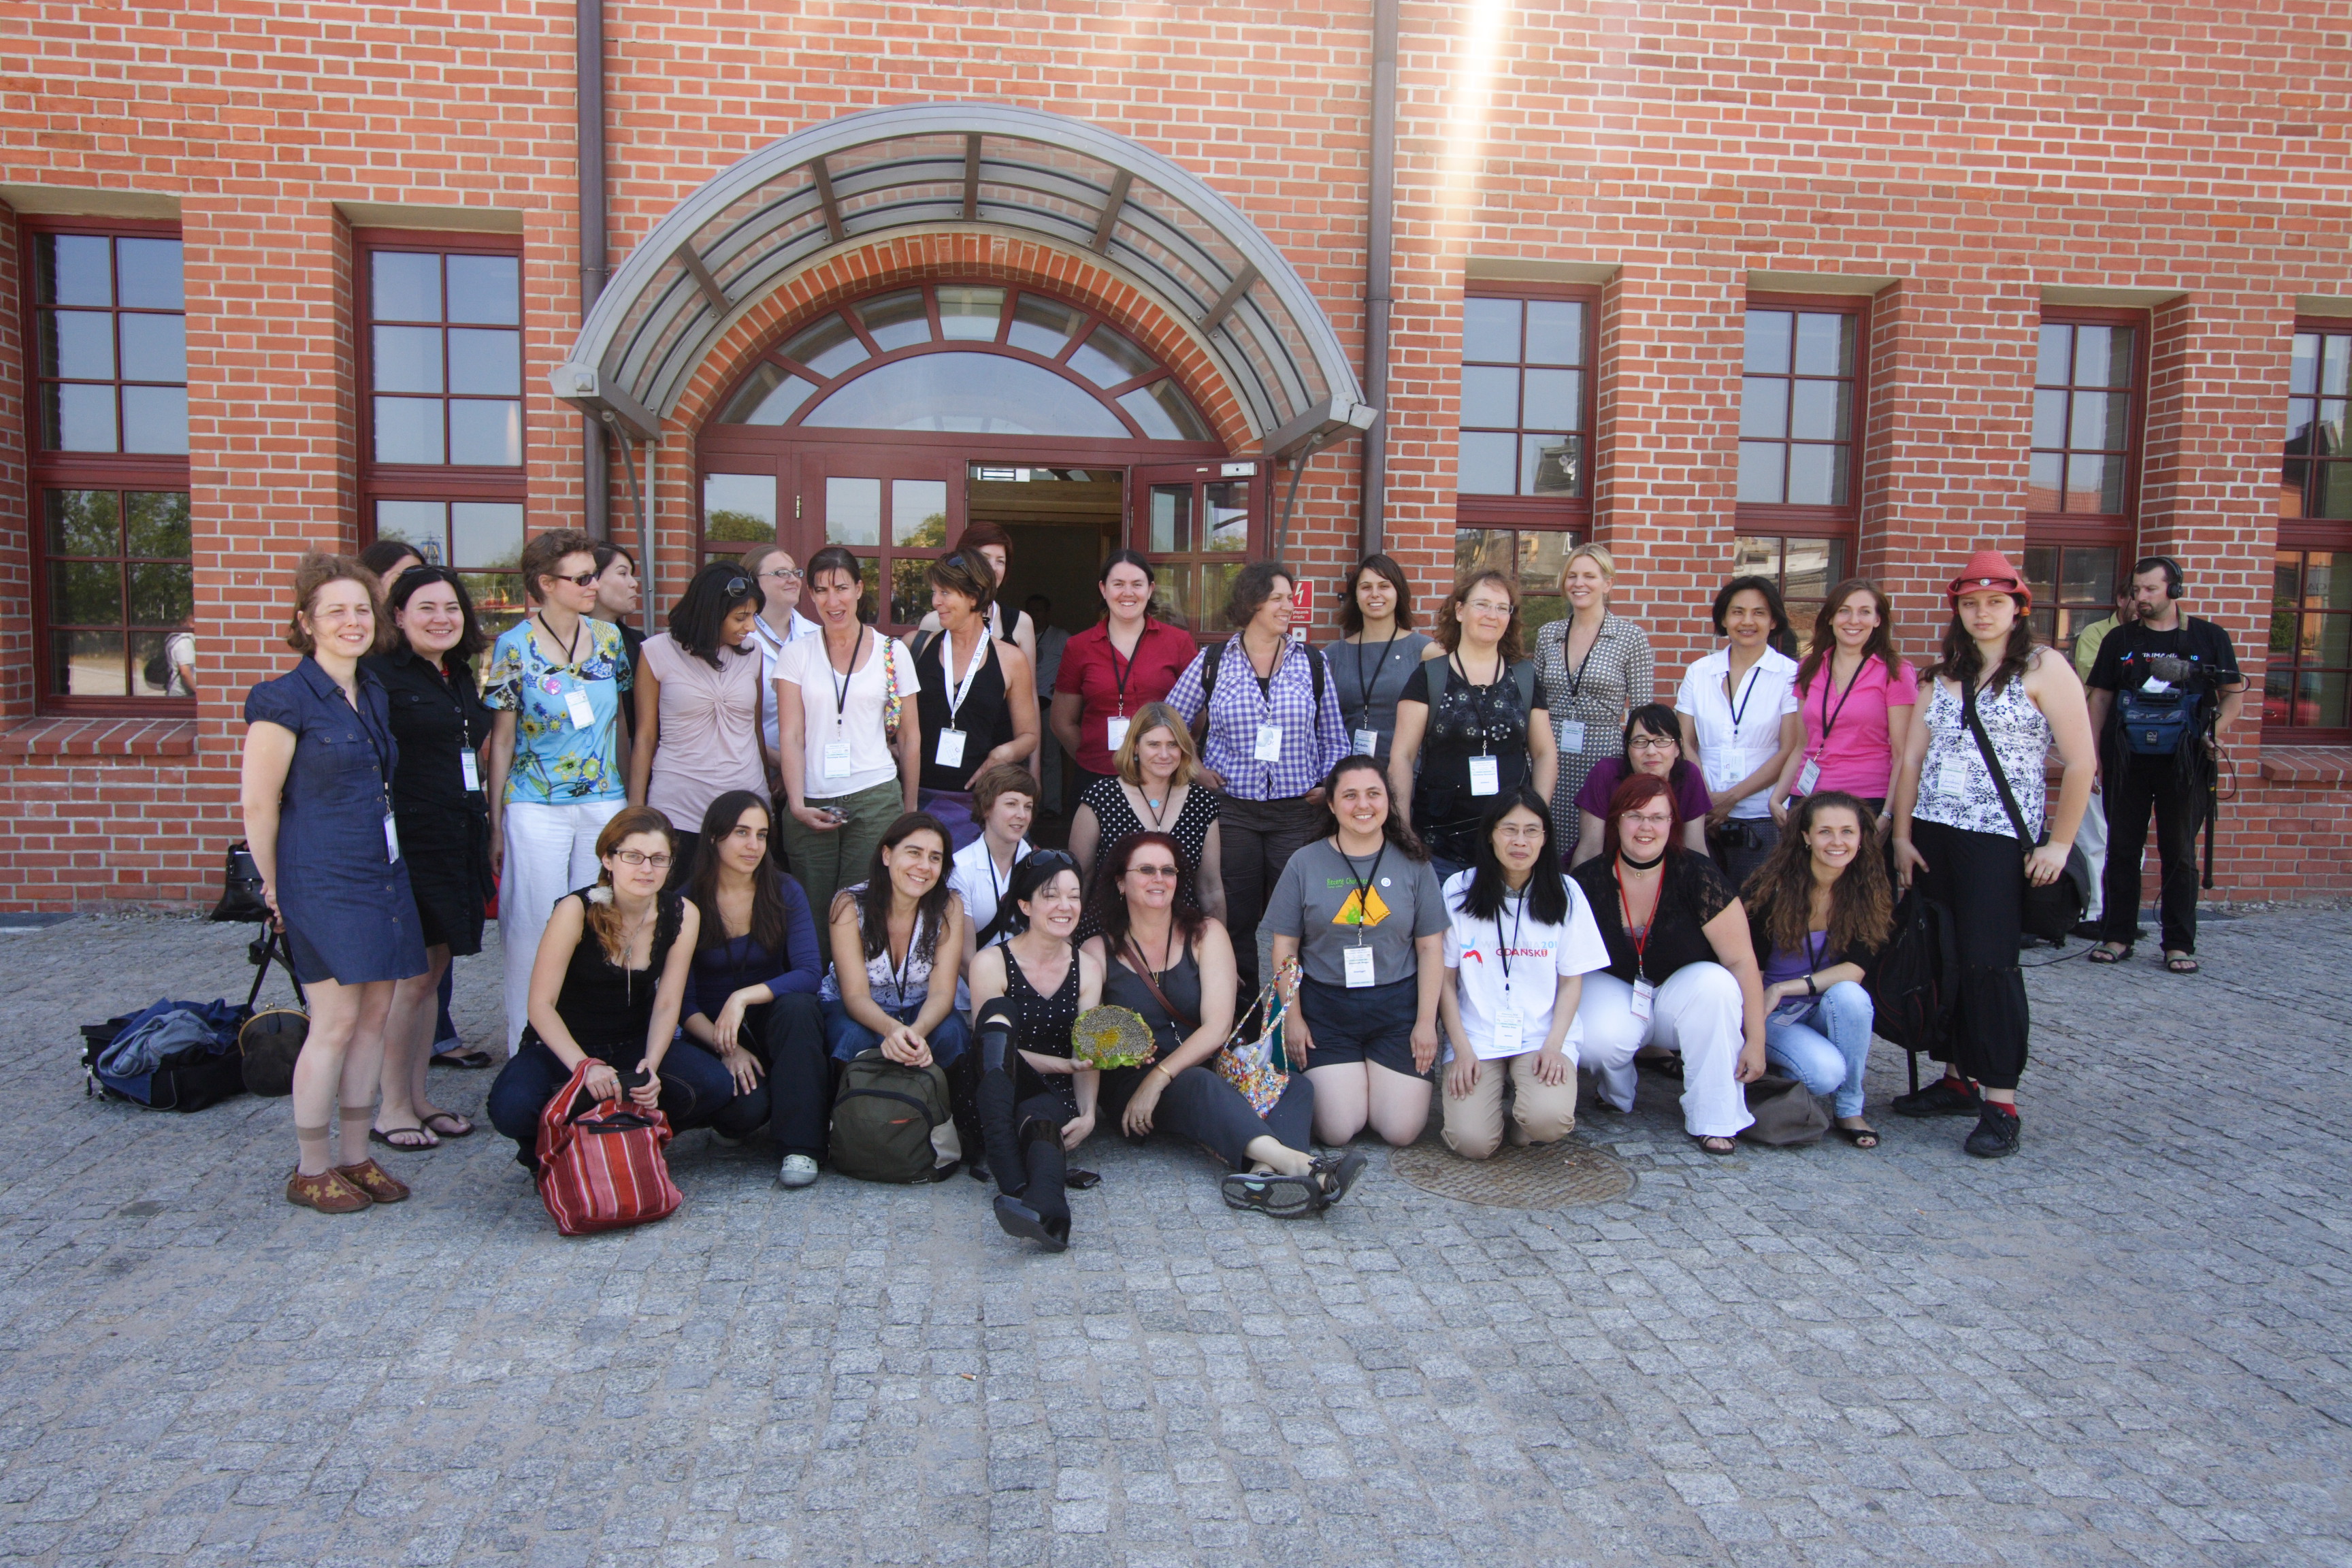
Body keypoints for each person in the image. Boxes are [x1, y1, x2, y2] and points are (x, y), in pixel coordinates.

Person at [1890, 550, 2096, 1158]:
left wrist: (2060, 843)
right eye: (1972, 603)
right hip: (1935, 832)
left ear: (2018, 608)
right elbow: (1913, 759)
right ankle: (1958, 1078)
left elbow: (2081, 761)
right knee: (1943, 957)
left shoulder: (2044, 667)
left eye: (1996, 602)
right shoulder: (1940, 676)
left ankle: (2001, 1099)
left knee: (1990, 964)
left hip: (1996, 840)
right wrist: (1901, 835)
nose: (1983, 613)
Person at [240, 553, 429, 1213]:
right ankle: (311, 1166)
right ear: (306, 622)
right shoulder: (282, 698)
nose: (352, 621)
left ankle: (355, 1155)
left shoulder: (371, 690)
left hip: (382, 874)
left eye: (361, 610)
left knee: (375, 1017)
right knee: (337, 1020)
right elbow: (259, 805)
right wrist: (273, 888)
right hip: (319, 878)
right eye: (335, 611)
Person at [1080, 832, 1363, 1214]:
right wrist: (1108, 1098)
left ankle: (1264, 1176)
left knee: (1293, 1086)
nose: (1159, 879)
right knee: (1198, 1082)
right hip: (1134, 1087)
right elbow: (1090, 1038)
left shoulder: (1205, 933)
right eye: (1146, 870)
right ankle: (1303, 1167)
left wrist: (1161, 1075)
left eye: (1168, 870)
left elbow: (1217, 1028)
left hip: (1198, 1068)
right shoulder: (1097, 951)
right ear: (1120, 881)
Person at [485, 807, 768, 1171]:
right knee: (511, 1108)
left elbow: (668, 1002)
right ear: (608, 859)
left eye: (658, 859)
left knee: (713, 1085)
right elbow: (541, 1004)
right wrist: (584, 1066)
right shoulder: (576, 910)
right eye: (633, 856)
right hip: (562, 1048)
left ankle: (633, 1136)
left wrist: (652, 1064)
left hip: (630, 1044)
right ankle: (556, 1144)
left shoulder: (682, 913)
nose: (646, 869)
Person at [482, 528, 634, 1053]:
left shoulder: (610, 640)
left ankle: (592, 1044)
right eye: (582, 578)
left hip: (604, 802)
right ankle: (527, 1049)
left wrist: (630, 803)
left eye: (594, 575)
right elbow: (502, 740)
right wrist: (496, 821)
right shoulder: (513, 646)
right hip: (536, 804)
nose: (593, 585)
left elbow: (620, 726)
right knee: (532, 926)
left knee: (601, 921)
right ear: (546, 584)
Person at [1165, 561, 1349, 987]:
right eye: (1278, 598)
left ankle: (1296, 1004)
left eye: (1290, 598)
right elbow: (1168, 722)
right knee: (1235, 914)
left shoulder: (1312, 662)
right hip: (1233, 812)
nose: (1289, 606)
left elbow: (1334, 736)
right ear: (1252, 603)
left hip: (1297, 813)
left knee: (1300, 914)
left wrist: (1327, 787)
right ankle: (1239, 1002)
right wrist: (1195, 768)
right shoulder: (1213, 661)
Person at [361, 564, 493, 1149]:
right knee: (409, 981)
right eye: (426, 608)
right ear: (397, 615)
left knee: (433, 976)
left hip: (456, 835)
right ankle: (391, 1107)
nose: (442, 619)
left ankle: (417, 1097)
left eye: (451, 608)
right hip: (408, 843)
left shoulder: (457, 673)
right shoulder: (377, 675)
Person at [1570, 772, 1768, 1155]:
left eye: (1657, 817)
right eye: (1634, 816)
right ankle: (1616, 1090)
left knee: (1717, 985)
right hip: (1617, 990)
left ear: (1672, 823)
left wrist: (1756, 1041)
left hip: (1682, 997)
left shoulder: (1699, 875)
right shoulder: (1588, 881)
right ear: (1616, 821)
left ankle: (1715, 1117)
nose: (1646, 827)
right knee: (1596, 1037)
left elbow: (1742, 961)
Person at [1264, 757, 1449, 1148]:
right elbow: (1285, 946)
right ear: (1332, 805)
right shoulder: (1304, 862)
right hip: (1326, 1010)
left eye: (1373, 794)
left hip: (1396, 1011)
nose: (1362, 805)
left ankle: (1374, 1081)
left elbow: (1431, 947)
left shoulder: (1414, 863)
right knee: (1337, 1130)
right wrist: (1292, 1019)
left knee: (1400, 1131)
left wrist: (1425, 1023)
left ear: (1388, 801)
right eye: (1350, 796)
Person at [2085, 556, 2244, 974]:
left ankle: (2178, 944)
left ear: (2174, 590)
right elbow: (2100, 697)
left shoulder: (2209, 637)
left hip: (2186, 761)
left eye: (2151, 589)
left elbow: (2233, 694)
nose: (2141, 598)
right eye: (2136, 590)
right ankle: (2117, 935)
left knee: (2179, 852)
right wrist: (2094, 755)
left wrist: (2214, 732)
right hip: (2126, 759)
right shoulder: (2119, 639)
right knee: (2121, 849)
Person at [1437, 789, 1610, 1160]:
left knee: (1548, 1121)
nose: (1520, 841)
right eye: (1509, 829)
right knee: (1472, 1143)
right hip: (1477, 1035)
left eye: (1532, 831)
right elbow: (1445, 982)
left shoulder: (1567, 892)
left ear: (1545, 838)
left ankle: (1525, 1119)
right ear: (1490, 835)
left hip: (1540, 1035)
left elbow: (1571, 982)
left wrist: (1554, 1046)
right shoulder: (1458, 890)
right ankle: (1491, 1105)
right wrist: (1461, 1049)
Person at [677, 791, 830, 1188]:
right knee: (747, 1110)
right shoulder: (686, 901)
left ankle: (801, 1147)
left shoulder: (784, 889)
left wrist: (742, 997)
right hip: (711, 1028)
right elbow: (683, 1002)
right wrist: (725, 1047)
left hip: (769, 1016)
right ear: (714, 836)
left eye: (762, 835)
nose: (753, 846)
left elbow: (810, 973)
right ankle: (738, 1118)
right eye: (741, 833)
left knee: (800, 1007)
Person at [773, 544, 923, 921]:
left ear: (859, 588)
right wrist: (796, 805)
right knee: (812, 912)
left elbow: (910, 737)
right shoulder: (796, 654)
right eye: (821, 590)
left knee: (863, 910)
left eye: (841, 588)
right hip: (812, 797)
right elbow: (791, 735)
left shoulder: (892, 653)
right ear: (810, 595)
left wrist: (909, 810)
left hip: (875, 796)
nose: (833, 601)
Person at [1742, 790, 1894, 1147]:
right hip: (1772, 1012)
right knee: (1825, 1074)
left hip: (1822, 1006)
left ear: (1861, 838)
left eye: (1847, 832)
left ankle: (1850, 1107)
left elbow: (1855, 970)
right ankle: (1786, 1071)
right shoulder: (1773, 888)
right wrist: (1753, 1032)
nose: (1837, 842)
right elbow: (1750, 968)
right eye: (1825, 831)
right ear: (1807, 837)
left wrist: (1785, 987)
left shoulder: (1868, 890)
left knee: (1852, 995)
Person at [968, 851, 1101, 1250]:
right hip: (991, 1088)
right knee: (999, 1013)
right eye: (1051, 895)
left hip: (1050, 1095)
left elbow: (1087, 1051)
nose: (1065, 906)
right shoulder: (990, 962)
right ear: (1025, 905)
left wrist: (1089, 1114)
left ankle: (1049, 1212)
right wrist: (1064, 1065)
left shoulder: (1088, 967)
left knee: (1042, 1119)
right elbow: (988, 1049)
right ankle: (1008, 1170)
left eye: (1074, 896)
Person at [1388, 569, 1558, 877]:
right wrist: (1402, 825)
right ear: (1460, 610)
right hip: (1441, 846)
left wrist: (1535, 821)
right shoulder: (1429, 677)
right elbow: (1403, 755)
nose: (1492, 615)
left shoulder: (1525, 677)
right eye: (1482, 604)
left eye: (1502, 608)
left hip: (1512, 846)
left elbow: (1545, 753)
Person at [819, 811, 974, 1072]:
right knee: (853, 1039)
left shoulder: (949, 906)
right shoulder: (849, 904)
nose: (924, 866)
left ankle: (945, 1099)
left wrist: (915, 1034)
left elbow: (942, 993)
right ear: (887, 855)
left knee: (952, 1033)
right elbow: (855, 995)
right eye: (914, 853)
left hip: (920, 1008)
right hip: (857, 1007)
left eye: (935, 858)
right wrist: (892, 1029)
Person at [1676, 576, 1803, 887]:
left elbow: (1790, 748)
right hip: (1702, 815)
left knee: (1757, 907)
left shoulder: (1791, 675)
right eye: (1738, 612)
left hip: (1762, 816)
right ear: (1723, 618)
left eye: (1759, 613)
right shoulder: (1699, 672)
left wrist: (1731, 798)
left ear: (1774, 621)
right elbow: (1685, 742)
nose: (1747, 621)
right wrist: (1706, 799)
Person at [627, 561, 771, 832]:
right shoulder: (656, 651)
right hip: (677, 803)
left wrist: (767, 792)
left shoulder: (754, 652)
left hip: (746, 798)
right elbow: (645, 736)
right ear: (711, 613)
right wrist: (636, 807)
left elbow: (756, 728)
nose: (751, 627)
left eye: (754, 616)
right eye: (741, 617)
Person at [913, 551, 1039, 851]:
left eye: (945, 593)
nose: (936, 602)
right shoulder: (916, 647)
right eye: (934, 592)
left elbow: (1029, 736)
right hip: (919, 797)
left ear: (974, 596)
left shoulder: (1010, 659)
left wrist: (1004, 753)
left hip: (981, 803)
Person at [1768, 578, 1917, 831]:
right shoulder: (1810, 667)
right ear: (1830, 617)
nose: (1853, 620)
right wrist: (1776, 798)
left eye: (1865, 612)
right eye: (1844, 611)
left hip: (1865, 802)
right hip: (1808, 800)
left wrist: (1888, 815)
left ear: (1878, 620)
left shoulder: (1896, 671)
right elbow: (1802, 745)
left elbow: (1902, 754)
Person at [1534, 544, 1654, 855]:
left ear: (1608, 583)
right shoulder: (1549, 634)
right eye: (1572, 576)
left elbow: (1642, 712)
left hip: (1602, 758)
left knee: (1595, 845)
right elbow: (1536, 700)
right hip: (1549, 755)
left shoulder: (1630, 637)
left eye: (1589, 576)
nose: (1579, 583)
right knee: (1544, 840)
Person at [1049, 549, 1199, 798]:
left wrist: (1173, 756)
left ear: (1150, 589)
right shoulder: (1079, 646)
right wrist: (1093, 759)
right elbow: (1062, 722)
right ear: (1103, 589)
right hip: (1098, 778)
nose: (1127, 593)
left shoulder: (1178, 642)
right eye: (1118, 584)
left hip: (1164, 779)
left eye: (1137, 584)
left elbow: (1198, 717)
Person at [1067, 701, 1226, 920]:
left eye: (1173, 745)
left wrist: (1217, 939)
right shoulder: (1101, 797)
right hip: (1110, 927)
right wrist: (1070, 935)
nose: (1164, 754)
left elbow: (1210, 888)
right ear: (1135, 746)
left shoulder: (1202, 803)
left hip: (1181, 928)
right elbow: (1080, 878)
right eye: (1154, 744)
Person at [2069, 580, 2139, 933]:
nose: (2142, 602)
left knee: (2130, 837)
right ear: (2121, 599)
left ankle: (2121, 914)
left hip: (2138, 747)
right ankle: (2093, 912)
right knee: (2095, 834)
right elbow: (2099, 684)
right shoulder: (2097, 635)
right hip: (2101, 740)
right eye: (2136, 595)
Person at [1323, 553, 1438, 764]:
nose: (1375, 594)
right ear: (1355, 595)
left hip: (1407, 773)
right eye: (1366, 587)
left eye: (1384, 586)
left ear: (1398, 592)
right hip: (1348, 775)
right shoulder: (1332, 656)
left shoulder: (1427, 652)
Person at [1571, 704, 1712, 867]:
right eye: (1640, 742)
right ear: (1627, 747)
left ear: (1677, 748)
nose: (1651, 751)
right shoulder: (1606, 774)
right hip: (1608, 872)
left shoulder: (1689, 776)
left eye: (1662, 741)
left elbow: (1696, 849)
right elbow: (1589, 849)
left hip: (1672, 874)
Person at [949, 762, 1036, 978]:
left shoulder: (1040, 864)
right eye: (1011, 804)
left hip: (1032, 985)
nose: (1022, 815)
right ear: (986, 808)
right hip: (975, 989)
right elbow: (964, 959)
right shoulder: (960, 869)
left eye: (1028, 806)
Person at [916, 521, 1037, 671]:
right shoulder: (932, 622)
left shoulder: (1021, 622)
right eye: (984, 559)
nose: (992, 568)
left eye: (1000, 561)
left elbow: (1029, 685)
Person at [1027, 593, 1070, 813]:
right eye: (1031, 611)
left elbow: (1075, 665)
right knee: (1024, 757)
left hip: (1050, 704)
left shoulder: (1060, 637)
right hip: (1025, 704)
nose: (1035, 615)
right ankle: (1029, 807)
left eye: (1039, 610)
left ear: (1047, 613)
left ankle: (1052, 807)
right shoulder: (1020, 635)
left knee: (1050, 757)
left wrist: (1062, 686)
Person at [590, 540, 646, 672]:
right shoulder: (564, 639)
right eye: (623, 573)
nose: (634, 583)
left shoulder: (637, 643)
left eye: (631, 574)